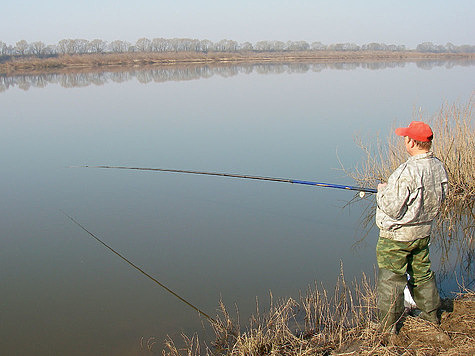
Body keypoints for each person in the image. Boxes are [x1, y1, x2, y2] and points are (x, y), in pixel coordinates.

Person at [375, 121, 449, 333]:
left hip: (396, 237)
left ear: (412, 142)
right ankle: (431, 316)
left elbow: (391, 208)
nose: (404, 141)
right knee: (422, 273)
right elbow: (440, 197)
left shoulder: (406, 170)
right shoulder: (439, 167)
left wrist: (382, 192)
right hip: (423, 233)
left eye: (405, 138)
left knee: (391, 280)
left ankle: (388, 329)